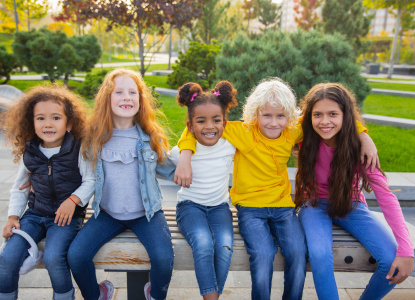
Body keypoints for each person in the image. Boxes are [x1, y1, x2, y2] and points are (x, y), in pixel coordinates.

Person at [175, 78, 378, 300]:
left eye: (280, 116)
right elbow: (194, 128)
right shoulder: (242, 131)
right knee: (263, 254)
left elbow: (339, 120)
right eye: (267, 115)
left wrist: (363, 134)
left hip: (283, 207)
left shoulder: (292, 131)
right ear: (254, 115)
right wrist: (185, 155)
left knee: (298, 253)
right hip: (250, 208)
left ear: (289, 117)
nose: (274, 122)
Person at [295, 83, 414, 300]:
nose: (324, 121)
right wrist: (363, 132)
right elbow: (274, 123)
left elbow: (386, 196)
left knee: (390, 260)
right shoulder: (303, 136)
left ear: (346, 116)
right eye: (317, 114)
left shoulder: (359, 149)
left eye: (333, 114)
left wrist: (406, 251)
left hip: (350, 204)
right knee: (320, 255)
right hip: (312, 204)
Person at [67, 69, 176, 300]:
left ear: (140, 100)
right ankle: (98, 294)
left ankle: (154, 294)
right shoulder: (94, 139)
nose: (126, 97)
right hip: (107, 214)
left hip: (146, 215)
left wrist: (188, 155)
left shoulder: (149, 138)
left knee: (164, 259)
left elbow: (171, 170)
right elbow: (79, 173)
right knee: (76, 256)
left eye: (132, 92)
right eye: (119, 92)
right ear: (107, 99)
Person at [0, 85, 95, 300]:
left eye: (56, 118)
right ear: (31, 122)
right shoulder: (31, 152)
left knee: (53, 257)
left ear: (69, 123)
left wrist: (73, 200)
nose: (48, 124)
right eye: (40, 118)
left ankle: (63, 296)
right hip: (34, 215)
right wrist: (13, 217)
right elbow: (19, 187)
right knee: (7, 258)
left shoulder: (79, 149)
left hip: (66, 217)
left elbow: (91, 180)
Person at [170, 81, 238, 299]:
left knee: (225, 246)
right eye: (201, 121)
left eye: (216, 120)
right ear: (190, 126)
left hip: (220, 207)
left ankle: (212, 296)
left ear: (224, 122)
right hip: (190, 208)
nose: (210, 126)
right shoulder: (181, 152)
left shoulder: (230, 145)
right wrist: (184, 155)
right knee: (203, 243)